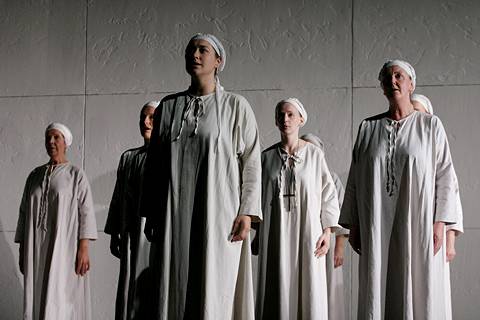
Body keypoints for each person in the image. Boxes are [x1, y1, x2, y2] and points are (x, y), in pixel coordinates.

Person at [139, 33, 261, 319]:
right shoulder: (169, 107)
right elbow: (155, 165)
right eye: (190, 49)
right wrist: (151, 213)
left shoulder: (235, 106)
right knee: (176, 281)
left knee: (214, 282)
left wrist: (247, 212)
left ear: (218, 61)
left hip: (219, 213)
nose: (195, 54)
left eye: (202, 50)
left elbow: (251, 161)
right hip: (174, 214)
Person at [339, 60, 462, 319]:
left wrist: (440, 222)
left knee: (418, 283)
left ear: (411, 84)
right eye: (387, 78)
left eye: (398, 76)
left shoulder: (430, 126)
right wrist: (354, 224)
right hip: (377, 223)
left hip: (418, 221)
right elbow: (355, 178)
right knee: (378, 279)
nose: (392, 81)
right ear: (382, 87)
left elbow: (445, 176)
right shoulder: (367, 128)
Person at [255, 99, 340, 320]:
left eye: (291, 114)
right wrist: (257, 233)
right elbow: (257, 196)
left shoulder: (314, 155)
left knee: (309, 287)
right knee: (277, 285)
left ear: (301, 119)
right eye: (281, 115)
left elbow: (328, 194)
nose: (285, 119)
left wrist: (328, 232)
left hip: (308, 233)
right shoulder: (266, 158)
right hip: (276, 234)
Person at [15, 123, 98, 320]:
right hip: (35, 248)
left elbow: (86, 212)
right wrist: (22, 250)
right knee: (38, 293)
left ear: (66, 143)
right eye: (48, 138)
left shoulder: (76, 175)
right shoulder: (34, 176)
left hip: (65, 247)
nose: (51, 142)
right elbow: (24, 212)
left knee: (62, 294)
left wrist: (84, 248)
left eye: (56, 137)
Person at [105, 101, 159, 320]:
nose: (145, 122)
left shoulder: (167, 156)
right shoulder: (128, 157)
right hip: (130, 233)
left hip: (154, 237)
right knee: (129, 284)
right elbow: (118, 197)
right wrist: (114, 231)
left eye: (151, 118)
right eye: (142, 118)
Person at [411, 93, 464, 262]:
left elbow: (452, 199)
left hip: (434, 235)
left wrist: (450, 243)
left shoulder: (439, 155)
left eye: (418, 111)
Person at [301, 133, 348, 320]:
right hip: (305, 239)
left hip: (326, 242)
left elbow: (342, 213)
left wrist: (339, 248)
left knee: (328, 288)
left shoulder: (332, 178)